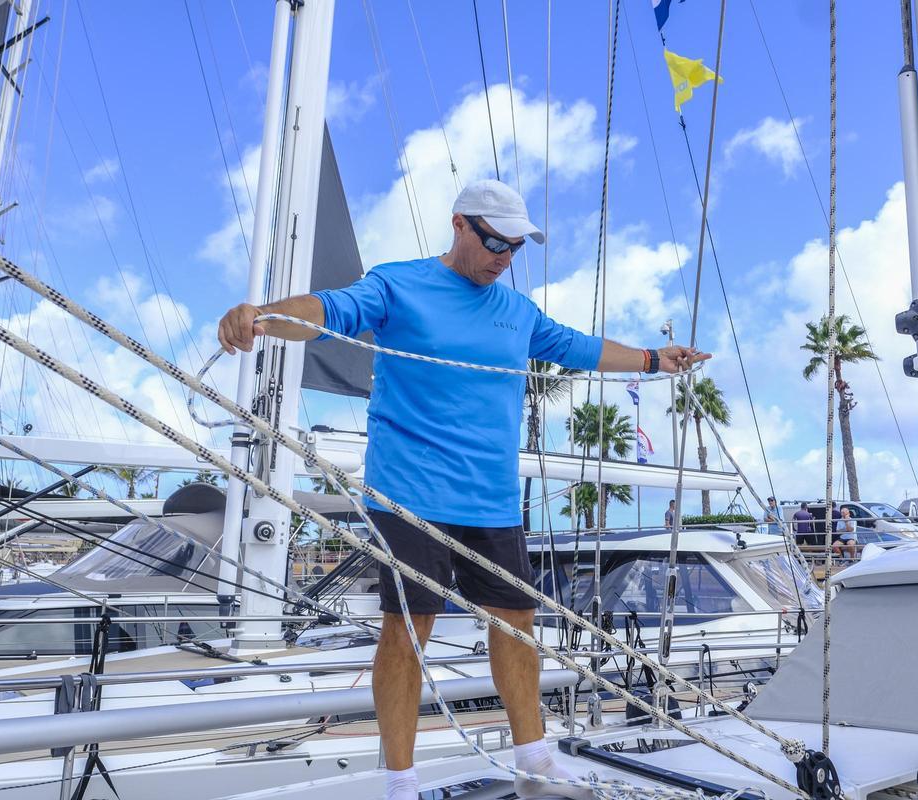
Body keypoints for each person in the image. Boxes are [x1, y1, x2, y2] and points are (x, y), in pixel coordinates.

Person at [217, 179, 711, 800]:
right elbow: (330, 310)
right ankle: (400, 782)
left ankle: (534, 761)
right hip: (409, 493)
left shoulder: (516, 311)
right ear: (460, 225)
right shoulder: (400, 284)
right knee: (408, 627)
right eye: (494, 242)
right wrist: (263, 317)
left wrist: (650, 360)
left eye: (515, 247)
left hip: (491, 499)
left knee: (517, 623)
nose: (503, 257)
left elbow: (576, 347)